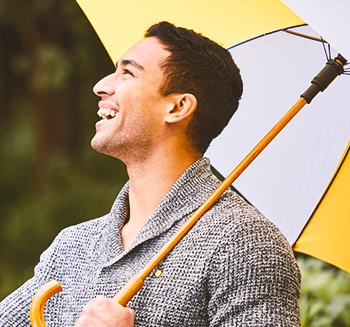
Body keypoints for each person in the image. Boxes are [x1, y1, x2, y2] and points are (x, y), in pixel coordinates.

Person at [0, 21, 301, 326]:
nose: (101, 85)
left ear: (178, 107)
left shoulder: (245, 242)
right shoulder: (73, 247)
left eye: (128, 72)